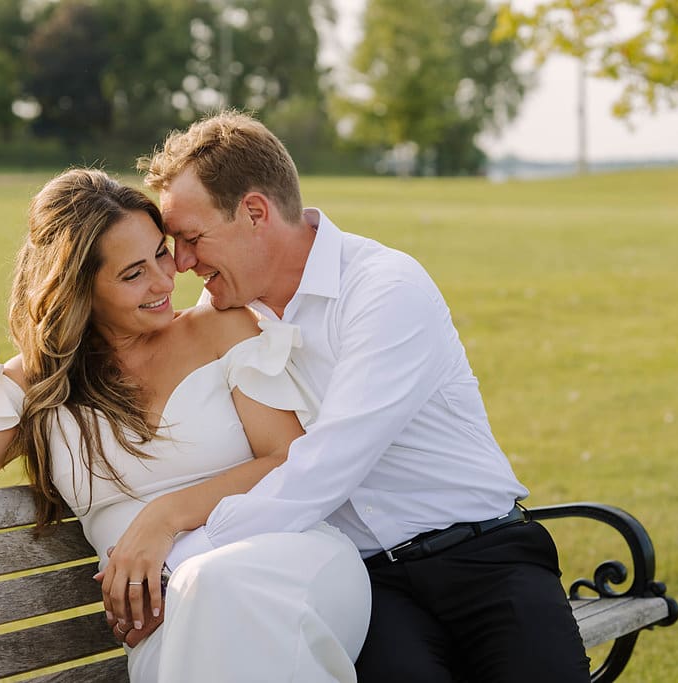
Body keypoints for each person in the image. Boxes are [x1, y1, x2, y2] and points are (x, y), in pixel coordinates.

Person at [99, 111, 591, 682]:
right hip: (370, 586)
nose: (180, 263)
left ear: (255, 212)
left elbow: (326, 467)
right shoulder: (227, 316)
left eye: (191, 238)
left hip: (484, 558)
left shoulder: (385, 289)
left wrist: (171, 551)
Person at [0, 168, 370, 682]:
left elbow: (286, 459)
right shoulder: (36, 385)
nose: (165, 280)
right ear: (79, 289)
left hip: (290, 568)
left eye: (160, 253)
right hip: (168, 621)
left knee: (214, 586)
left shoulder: (222, 331)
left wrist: (162, 520)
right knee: (207, 602)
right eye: (133, 273)